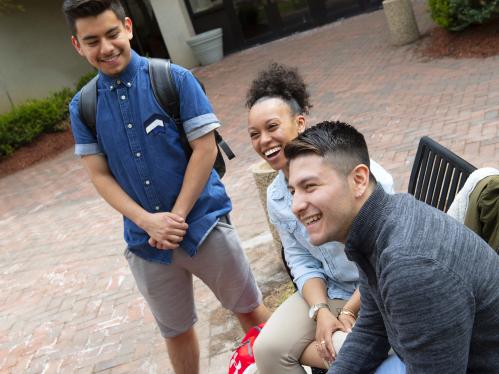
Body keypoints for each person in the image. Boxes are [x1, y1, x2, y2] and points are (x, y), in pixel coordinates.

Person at [62, 1, 269, 373]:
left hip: (203, 224)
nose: (106, 48)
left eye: (112, 34)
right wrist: (148, 222)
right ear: (78, 46)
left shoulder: (173, 79)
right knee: (176, 332)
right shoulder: (83, 107)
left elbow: (204, 149)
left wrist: (174, 218)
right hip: (147, 244)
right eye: (92, 41)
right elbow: (99, 176)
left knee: (249, 310)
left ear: (127, 27)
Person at [285, 121, 499, 373]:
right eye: (293, 191)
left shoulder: (410, 266)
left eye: (309, 186)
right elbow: (372, 328)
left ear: (359, 180)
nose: (296, 205)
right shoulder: (376, 226)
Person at [245, 63, 395, 373]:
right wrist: (320, 310)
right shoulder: (276, 197)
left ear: (300, 123)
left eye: (272, 127)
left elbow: (386, 252)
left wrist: (350, 312)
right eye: (254, 134)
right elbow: (300, 259)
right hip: (329, 291)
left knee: (345, 350)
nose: (264, 141)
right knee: (268, 350)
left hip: (378, 289)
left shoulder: (353, 174)